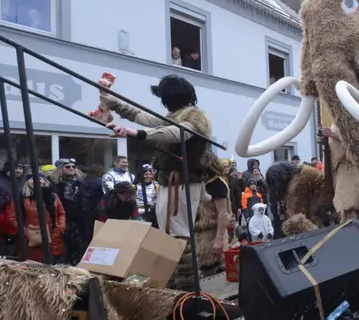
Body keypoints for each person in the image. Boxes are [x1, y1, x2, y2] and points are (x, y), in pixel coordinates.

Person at [102, 74, 211, 243]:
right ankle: (175, 265)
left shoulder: (195, 116)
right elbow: (143, 116)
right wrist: (114, 104)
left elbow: (178, 133)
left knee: (176, 230)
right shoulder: (176, 115)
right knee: (167, 226)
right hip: (173, 181)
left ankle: (182, 268)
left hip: (182, 181)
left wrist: (138, 133)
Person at [190, 154, 232, 285]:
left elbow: (223, 212)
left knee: (211, 274)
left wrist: (219, 239)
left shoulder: (216, 183)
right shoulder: (201, 183)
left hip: (211, 236)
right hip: (199, 235)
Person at [21, 174, 67, 264]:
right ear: (27, 182)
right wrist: (26, 232)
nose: (37, 181)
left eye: (40, 179)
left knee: (53, 266)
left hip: (54, 235)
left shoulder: (53, 196)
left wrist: (61, 227)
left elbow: (61, 213)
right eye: (33, 179)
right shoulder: (22, 198)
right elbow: (13, 218)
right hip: (32, 239)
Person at [50, 159, 88, 265]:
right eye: (67, 167)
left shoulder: (80, 183)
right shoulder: (54, 184)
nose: (71, 168)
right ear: (60, 169)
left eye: (73, 166)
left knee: (80, 248)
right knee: (63, 249)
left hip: (79, 221)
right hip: (62, 221)